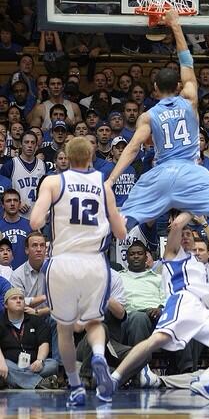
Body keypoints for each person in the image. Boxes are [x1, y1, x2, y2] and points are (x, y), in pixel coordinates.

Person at [106, 10, 209, 231]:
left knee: (122, 226)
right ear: (179, 87)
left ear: (154, 89)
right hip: (192, 174)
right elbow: (186, 61)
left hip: (161, 175)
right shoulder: (190, 98)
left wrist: (111, 180)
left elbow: (133, 148)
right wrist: (175, 25)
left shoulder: (148, 115)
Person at [110, 211, 209, 402]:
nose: (186, 236)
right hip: (182, 302)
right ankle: (114, 379)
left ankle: (206, 378)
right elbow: (178, 225)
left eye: (190, 235)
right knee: (154, 342)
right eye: (183, 234)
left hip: (202, 313)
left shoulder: (196, 262)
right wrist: (194, 205)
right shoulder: (173, 255)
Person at [30, 137, 126, 406]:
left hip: (62, 262)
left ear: (66, 157)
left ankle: (75, 386)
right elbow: (120, 233)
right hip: (95, 262)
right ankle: (98, 354)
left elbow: (36, 221)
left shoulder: (53, 182)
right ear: (91, 156)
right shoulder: (103, 185)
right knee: (95, 322)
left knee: (64, 328)